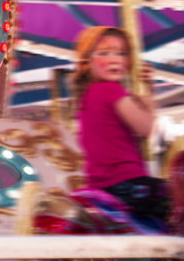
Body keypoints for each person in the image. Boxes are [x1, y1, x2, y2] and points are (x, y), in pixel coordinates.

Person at [72, 25, 168, 230]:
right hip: (127, 185)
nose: (115, 59)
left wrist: (143, 95)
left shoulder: (86, 97)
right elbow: (146, 128)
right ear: (88, 62)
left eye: (121, 53)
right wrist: (147, 96)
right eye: (104, 53)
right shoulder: (110, 90)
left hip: (100, 187)